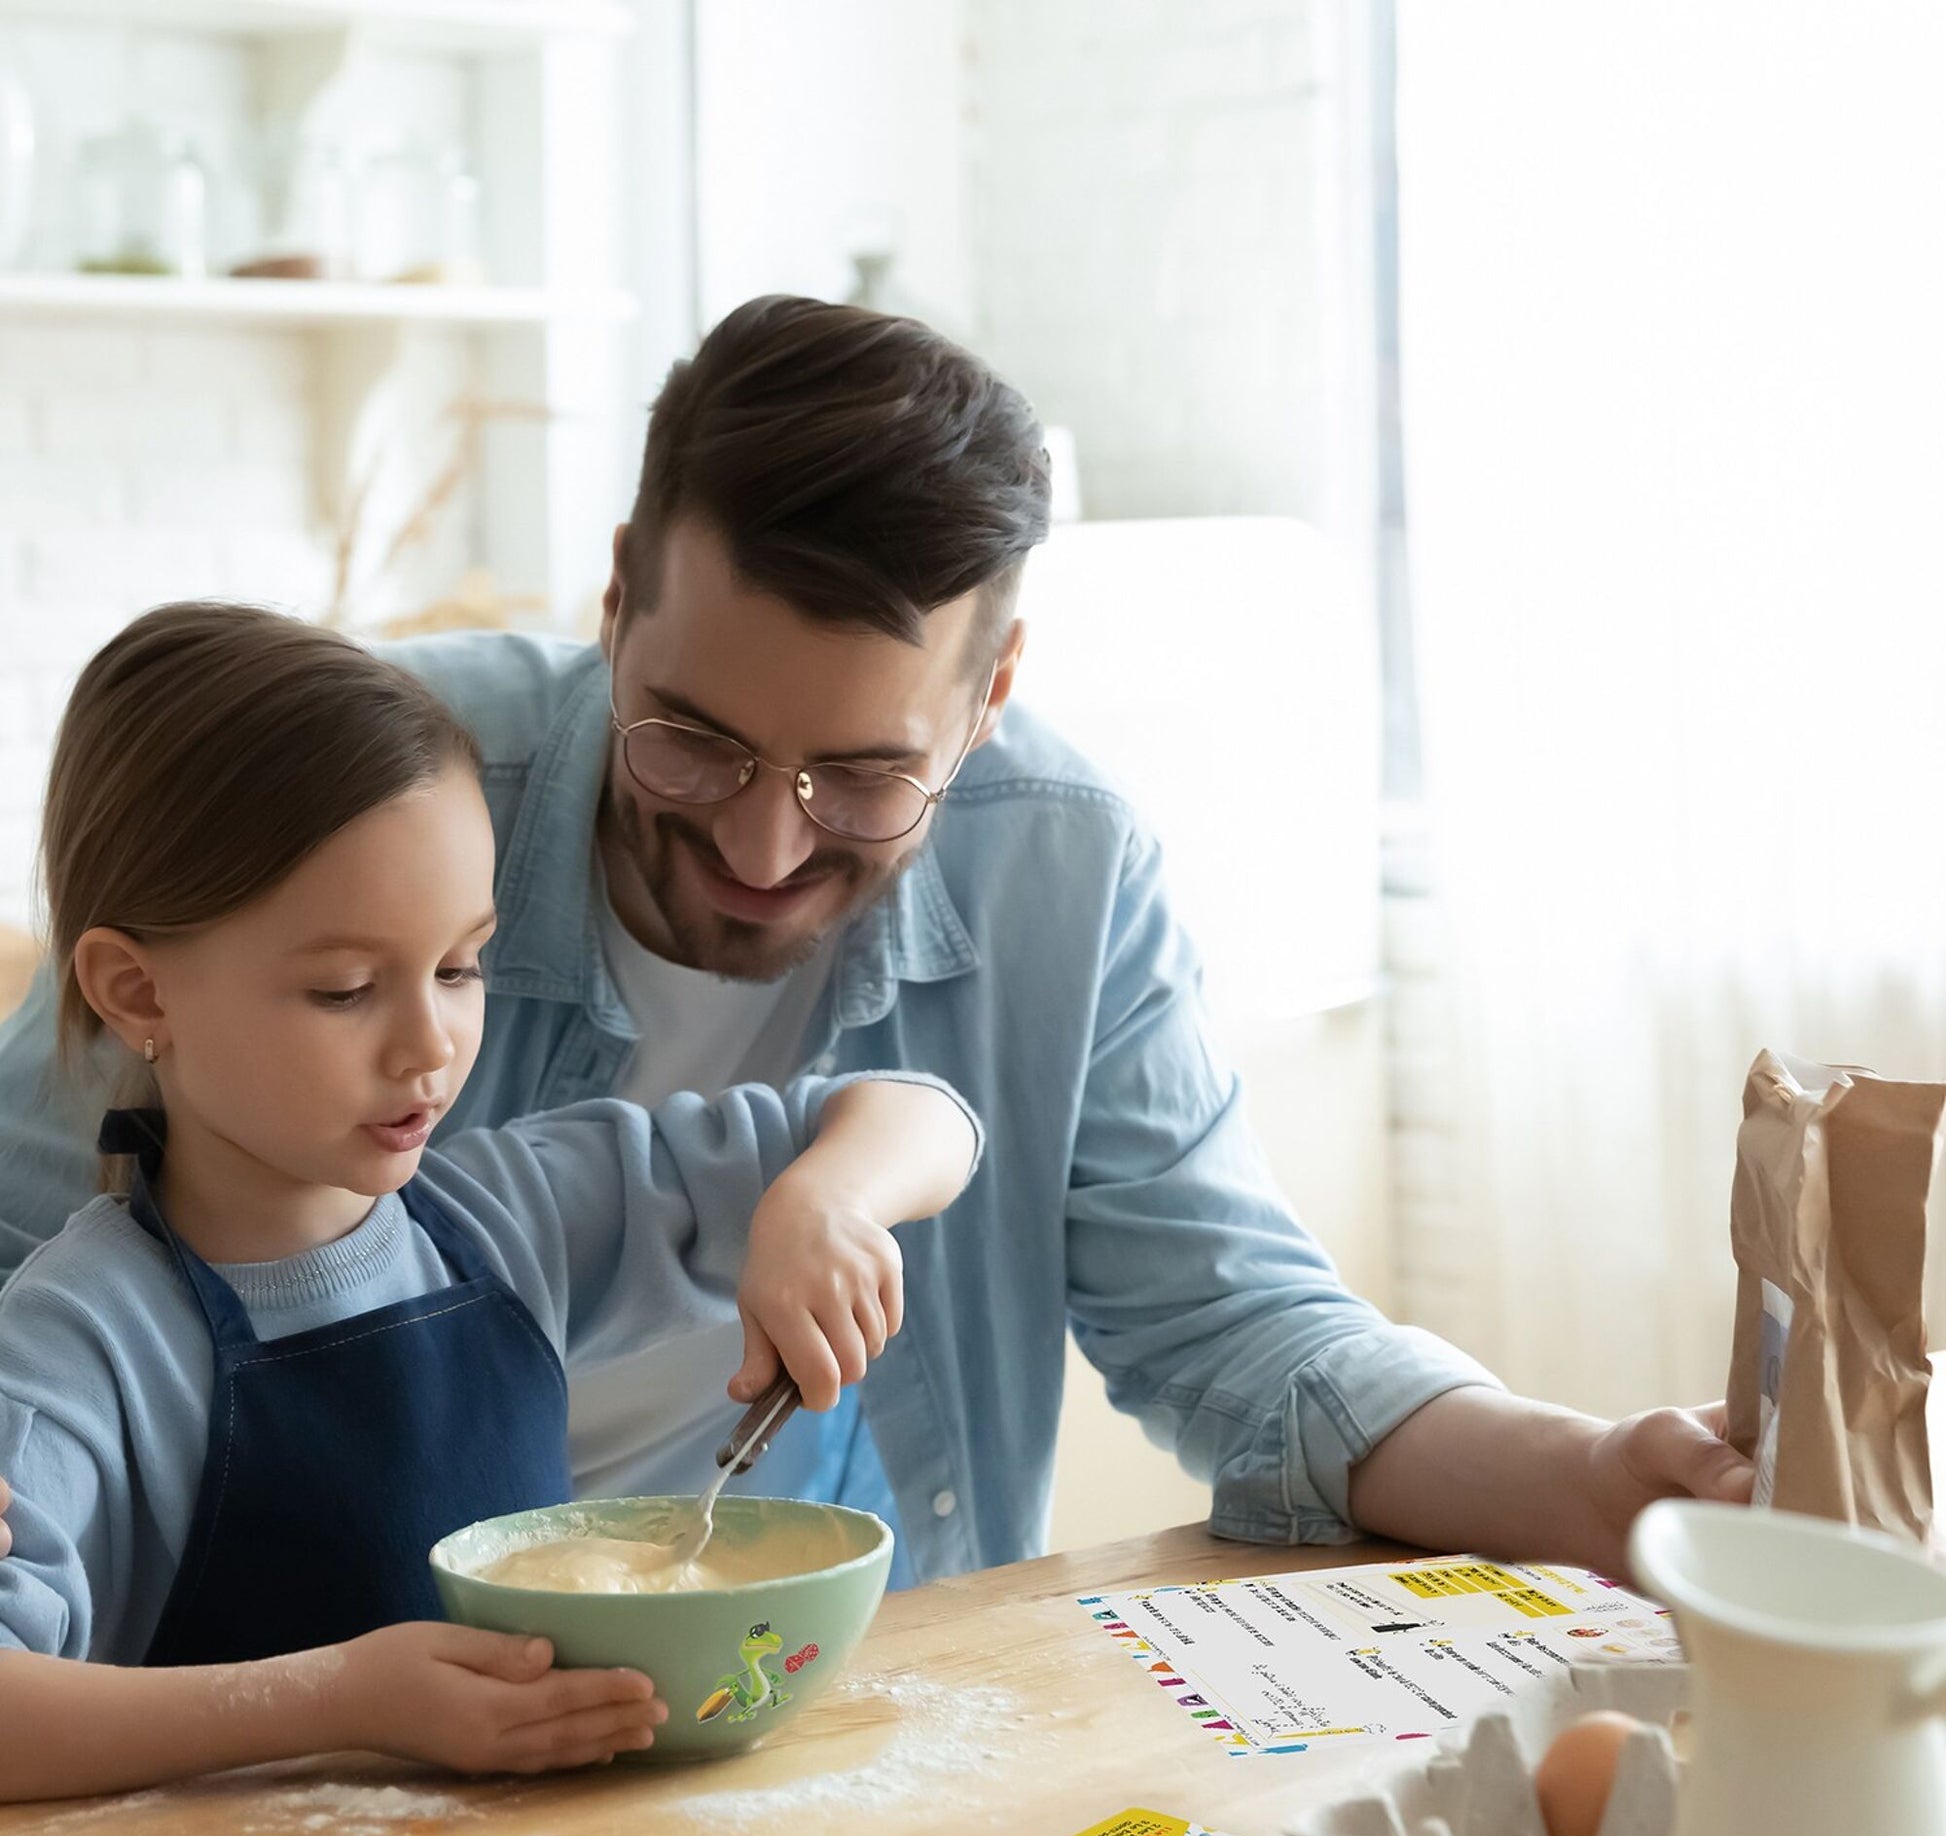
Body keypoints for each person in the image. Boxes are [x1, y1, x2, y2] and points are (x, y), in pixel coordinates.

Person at [0, 298, 1749, 1593]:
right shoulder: (387, 797)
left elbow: (1232, 1324)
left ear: (991, 694)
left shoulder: (1064, 869)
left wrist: (1592, 1477)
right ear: (616, 595)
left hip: (824, 1670)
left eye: (861, 775)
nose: (762, 846)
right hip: (335, 1682)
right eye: (691, 740)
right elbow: (28, 1216)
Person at [0, 604, 978, 1802]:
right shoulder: (82, 1339)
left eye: (461, 967)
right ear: (137, 989)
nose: (430, 1045)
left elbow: (919, 1113)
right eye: (347, 988)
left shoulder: (515, 1216)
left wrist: (824, 1201)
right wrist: (342, 1696)